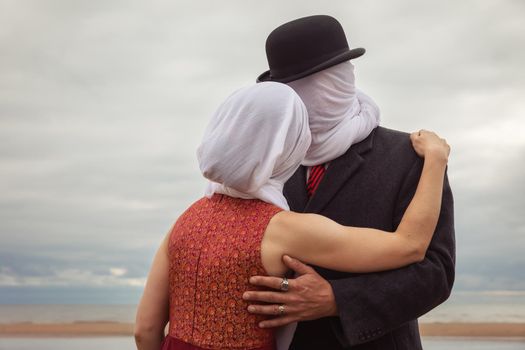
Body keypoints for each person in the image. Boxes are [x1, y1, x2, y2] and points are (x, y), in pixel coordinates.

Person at [134, 82, 451, 350]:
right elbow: (409, 245)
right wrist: (435, 161)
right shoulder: (281, 228)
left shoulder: (185, 221)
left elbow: (145, 330)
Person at [245, 15, 455, 350]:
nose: (298, 100)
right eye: (288, 88)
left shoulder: (411, 156)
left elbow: (436, 271)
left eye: (309, 83)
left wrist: (336, 299)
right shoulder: (267, 164)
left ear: (340, 80)